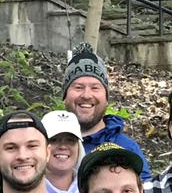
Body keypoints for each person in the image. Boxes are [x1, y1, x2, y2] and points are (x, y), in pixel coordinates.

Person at [60, 44, 149, 176]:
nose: (86, 95)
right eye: (78, 87)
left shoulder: (126, 149)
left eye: (95, 88)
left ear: (106, 98)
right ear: (65, 96)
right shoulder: (45, 144)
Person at [40, 109, 84, 193]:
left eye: (70, 140)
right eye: (54, 140)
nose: (63, 146)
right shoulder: (27, 191)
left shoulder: (91, 190)